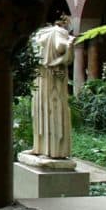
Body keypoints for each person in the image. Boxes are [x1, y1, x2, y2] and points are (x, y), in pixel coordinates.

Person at [30, 18, 75, 158]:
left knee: (52, 110)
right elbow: (61, 47)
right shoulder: (42, 34)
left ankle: (54, 150)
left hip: (52, 77)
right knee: (40, 111)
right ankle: (40, 147)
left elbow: (60, 47)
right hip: (41, 77)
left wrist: (69, 45)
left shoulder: (55, 32)